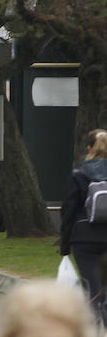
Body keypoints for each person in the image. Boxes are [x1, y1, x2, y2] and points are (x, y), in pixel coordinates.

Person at [59, 129, 107, 327]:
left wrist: (64, 246)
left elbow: (68, 210)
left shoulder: (79, 174)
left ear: (88, 148)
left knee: (92, 285)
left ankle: (92, 331)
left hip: (84, 237)